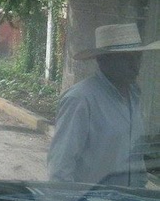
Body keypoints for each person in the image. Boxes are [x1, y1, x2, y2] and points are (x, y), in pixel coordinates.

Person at [48, 23, 160, 187]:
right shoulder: (81, 99)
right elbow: (60, 166)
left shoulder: (133, 95)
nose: (135, 65)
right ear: (103, 61)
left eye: (138, 57)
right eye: (126, 58)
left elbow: (135, 156)